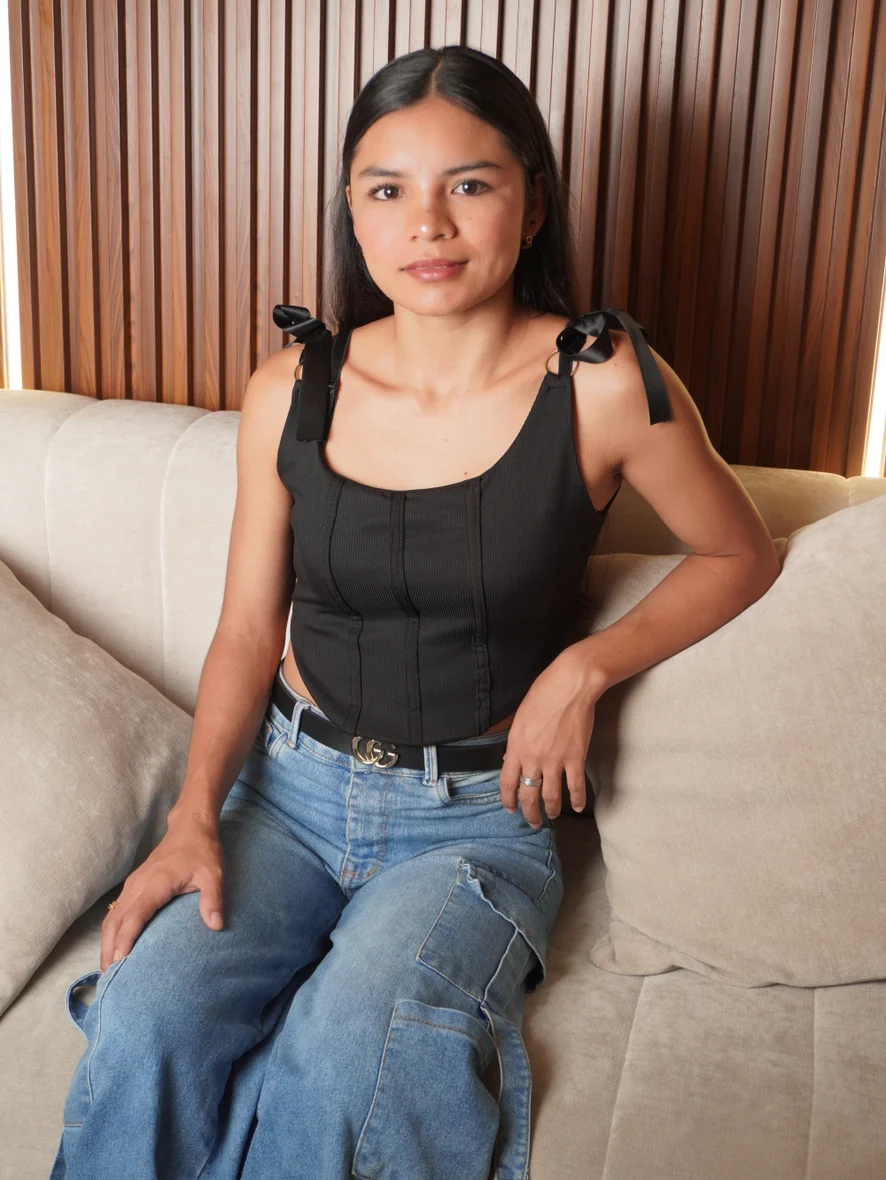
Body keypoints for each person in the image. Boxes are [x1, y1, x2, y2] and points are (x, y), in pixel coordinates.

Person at [49, 44, 778, 1180]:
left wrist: (584, 668)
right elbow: (246, 631)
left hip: (473, 821)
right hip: (283, 796)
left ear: (533, 202)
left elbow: (740, 553)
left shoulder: (603, 380)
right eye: (386, 190)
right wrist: (193, 817)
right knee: (145, 1020)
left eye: (469, 184)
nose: (426, 225)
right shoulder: (292, 387)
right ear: (352, 211)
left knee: (347, 1060)